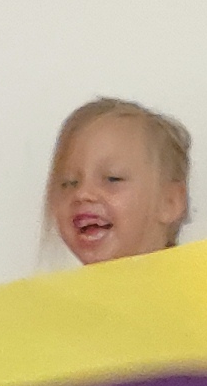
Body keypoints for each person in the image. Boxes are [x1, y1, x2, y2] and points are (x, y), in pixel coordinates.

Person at [45, 97, 192, 267]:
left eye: (112, 178)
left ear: (169, 201)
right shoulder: (56, 285)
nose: (82, 194)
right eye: (69, 183)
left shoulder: (199, 282)